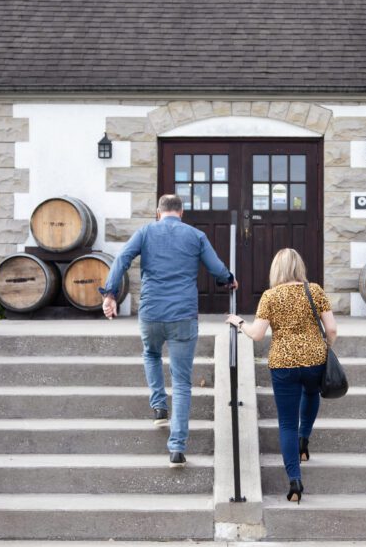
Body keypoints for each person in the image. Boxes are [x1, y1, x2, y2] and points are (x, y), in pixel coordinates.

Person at [100, 194, 237, 468]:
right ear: (182, 212)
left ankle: (159, 406)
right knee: (183, 383)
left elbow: (122, 259)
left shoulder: (145, 232)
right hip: (183, 314)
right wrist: (229, 279)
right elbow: (216, 268)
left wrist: (110, 294)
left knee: (151, 354)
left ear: (158, 212)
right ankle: (176, 448)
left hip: (151, 312)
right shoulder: (195, 236)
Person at [226, 248, 337, 503]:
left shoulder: (270, 296)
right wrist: (325, 348)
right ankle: (304, 440)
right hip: (314, 359)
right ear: (300, 267)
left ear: (276, 269)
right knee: (311, 394)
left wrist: (238, 322)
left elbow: (257, 334)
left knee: (286, 422)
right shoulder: (315, 290)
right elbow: (331, 328)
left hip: (283, 363)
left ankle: (295, 481)